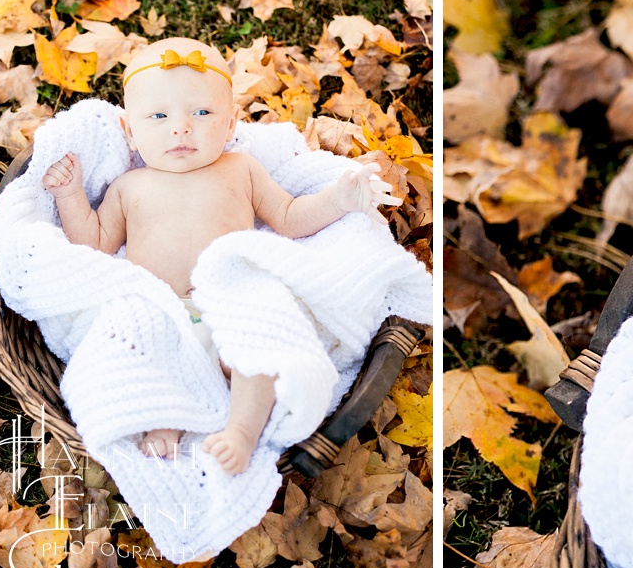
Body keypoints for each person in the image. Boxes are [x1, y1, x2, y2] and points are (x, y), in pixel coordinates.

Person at [41, 37, 399, 475]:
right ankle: (164, 421)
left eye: (202, 113)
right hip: (163, 310)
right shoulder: (129, 187)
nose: (181, 128)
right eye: (159, 116)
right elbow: (93, 245)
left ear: (230, 124)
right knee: (139, 346)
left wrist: (340, 198)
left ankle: (242, 431)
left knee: (261, 348)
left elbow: (289, 217)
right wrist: (70, 195)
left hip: (233, 301)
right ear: (130, 131)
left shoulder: (241, 168)